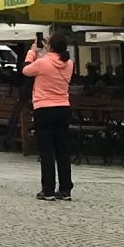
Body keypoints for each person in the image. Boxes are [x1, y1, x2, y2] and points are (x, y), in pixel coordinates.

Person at [23, 31, 74, 201]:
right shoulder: (69, 64)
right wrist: (47, 51)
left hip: (44, 108)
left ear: (50, 46)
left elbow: (25, 70)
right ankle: (65, 188)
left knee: (47, 150)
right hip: (63, 107)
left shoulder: (42, 63)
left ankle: (48, 189)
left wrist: (33, 51)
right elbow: (55, 60)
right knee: (62, 149)